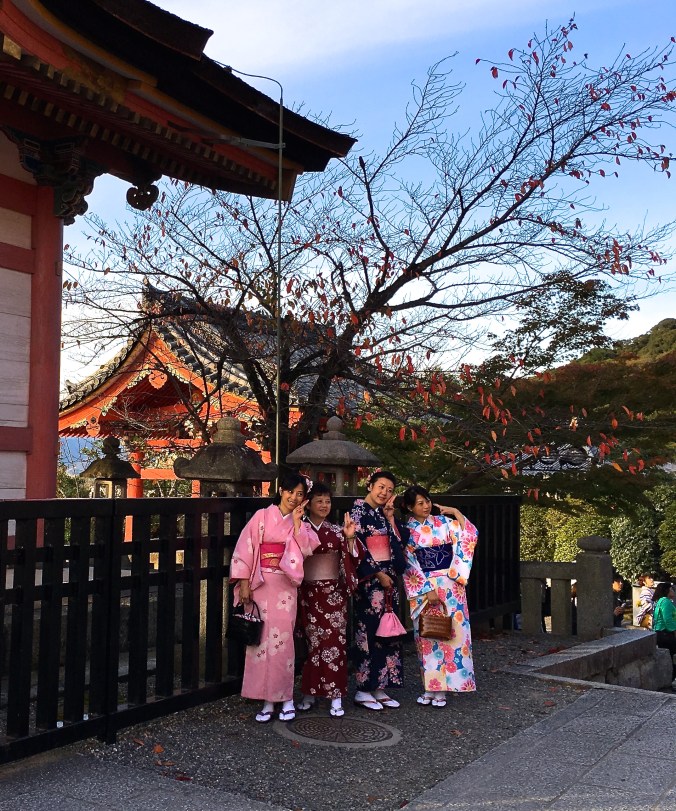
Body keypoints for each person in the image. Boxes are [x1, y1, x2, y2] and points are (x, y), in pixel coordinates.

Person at [230, 471, 319, 723]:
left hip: (284, 587)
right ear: (281, 490)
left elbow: (308, 548)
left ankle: (286, 697)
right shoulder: (262, 516)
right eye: (290, 491)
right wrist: (244, 582)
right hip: (260, 583)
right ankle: (266, 700)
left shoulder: (299, 520)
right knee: (258, 643)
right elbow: (244, 550)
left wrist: (300, 524)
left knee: (282, 643)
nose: (293, 497)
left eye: (299, 494)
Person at [401, 486, 478, 706]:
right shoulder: (408, 530)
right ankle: (429, 688)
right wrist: (426, 589)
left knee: (452, 635)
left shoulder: (444, 523)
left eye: (427, 501)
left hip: (451, 585)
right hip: (424, 587)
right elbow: (408, 562)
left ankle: (443, 690)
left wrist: (455, 512)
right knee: (427, 635)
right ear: (409, 507)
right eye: (419, 503)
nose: (425, 506)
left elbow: (469, 535)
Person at [296, 482, 364, 717]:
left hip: (333, 595)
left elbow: (354, 557)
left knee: (334, 645)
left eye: (327, 501)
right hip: (307, 593)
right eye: (319, 501)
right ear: (308, 505)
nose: (324, 505)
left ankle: (336, 696)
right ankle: (309, 692)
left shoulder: (337, 530)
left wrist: (350, 538)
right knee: (311, 645)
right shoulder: (300, 528)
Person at [350, 470, 407, 711]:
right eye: (381, 487)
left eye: (390, 490)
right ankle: (363, 689)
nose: (384, 493)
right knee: (368, 634)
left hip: (388, 582)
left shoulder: (384, 515)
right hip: (370, 583)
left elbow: (398, 545)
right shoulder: (358, 512)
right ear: (370, 485)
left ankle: (381, 687)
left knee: (388, 633)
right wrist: (378, 573)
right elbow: (357, 547)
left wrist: (392, 520)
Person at [652, 581, 676, 683]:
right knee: (673, 658)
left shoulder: (660, 601)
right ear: (666, 591)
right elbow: (668, 620)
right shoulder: (665, 601)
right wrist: (674, 631)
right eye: (671, 589)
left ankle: (669, 680)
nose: (673, 590)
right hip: (666, 634)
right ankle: (671, 680)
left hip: (660, 633)